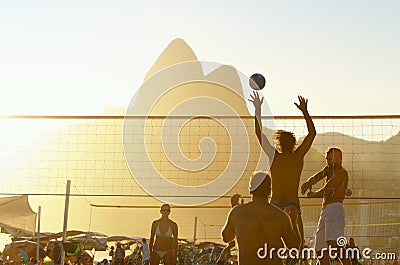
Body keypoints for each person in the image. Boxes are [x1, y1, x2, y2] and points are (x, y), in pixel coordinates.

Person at [249, 91, 316, 248]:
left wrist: (257, 109)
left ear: (279, 144)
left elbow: (258, 133)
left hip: (275, 205)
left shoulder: (275, 157)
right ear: (293, 143)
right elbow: (312, 134)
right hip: (293, 205)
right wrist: (305, 112)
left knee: (271, 246)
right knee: (297, 245)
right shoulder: (298, 156)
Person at [222, 171, 301, 265]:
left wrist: (234, 211)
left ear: (251, 190)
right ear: (270, 191)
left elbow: (226, 237)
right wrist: (293, 221)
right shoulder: (280, 216)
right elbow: (294, 246)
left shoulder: (237, 213)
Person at [301, 147, 351, 265]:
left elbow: (327, 190)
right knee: (319, 249)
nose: (329, 161)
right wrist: (308, 183)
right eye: (328, 159)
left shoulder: (340, 173)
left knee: (335, 246)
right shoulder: (329, 169)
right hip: (325, 210)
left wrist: (313, 194)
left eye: (332, 159)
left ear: (340, 159)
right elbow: (317, 176)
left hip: (335, 209)